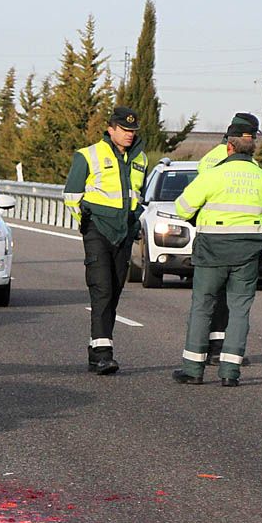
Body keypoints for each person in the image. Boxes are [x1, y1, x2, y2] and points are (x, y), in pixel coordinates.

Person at [172, 114, 262, 386]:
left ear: (229, 146)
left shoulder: (212, 175)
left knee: (203, 306)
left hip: (212, 251)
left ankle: (193, 370)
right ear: (252, 146)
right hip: (247, 254)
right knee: (239, 310)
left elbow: (182, 208)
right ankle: (230, 373)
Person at [64, 106, 148, 375]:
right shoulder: (88, 155)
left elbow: (138, 196)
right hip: (98, 230)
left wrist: (134, 221)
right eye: (124, 130)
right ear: (111, 129)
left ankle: (95, 347)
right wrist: (87, 223)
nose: (129, 135)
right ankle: (103, 354)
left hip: (123, 233)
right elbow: (71, 195)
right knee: (101, 288)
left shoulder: (140, 159)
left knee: (114, 290)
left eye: (132, 131)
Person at [196, 112, 260, 366]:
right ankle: (215, 349)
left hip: (216, 236)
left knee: (214, 298)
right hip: (229, 237)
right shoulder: (234, 162)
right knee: (220, 299)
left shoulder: (212, 157)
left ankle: (212, 349)